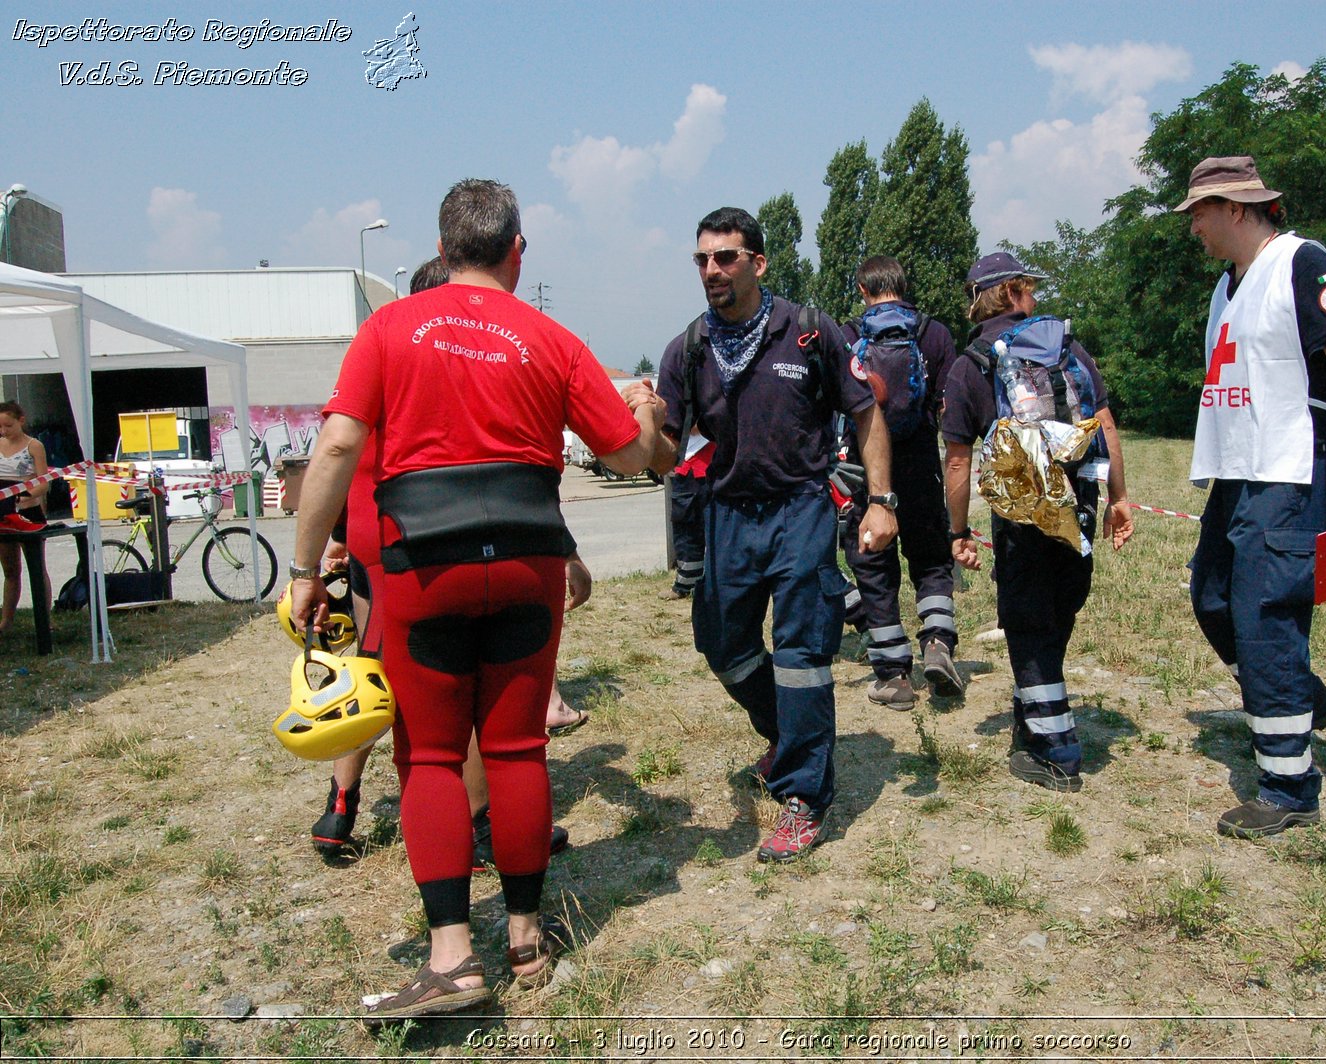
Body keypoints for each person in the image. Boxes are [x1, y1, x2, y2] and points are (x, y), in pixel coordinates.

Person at [291, 178, 665, 1021]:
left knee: (430, 758)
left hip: (427, 564)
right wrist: (651, 412)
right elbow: (633, 454)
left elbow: (341, 443)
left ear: (444, 245)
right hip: (529, 560)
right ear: (517, 251)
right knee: (518, 748)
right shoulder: (553, 338)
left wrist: (304, 566)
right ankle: (528, 940)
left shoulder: (388, 327)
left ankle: (453, 959)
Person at [638, 207, 897, 863]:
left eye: (725, 257)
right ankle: (788, 731)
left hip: (802, 507)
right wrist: (649, 424)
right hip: (727, 514)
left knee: (802, 655)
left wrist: (882, 502)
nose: (711, 270)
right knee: (720, 643)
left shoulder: (809, 333)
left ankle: (805, 796)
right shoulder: (688, 347)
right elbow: (667, 455)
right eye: (701, 259)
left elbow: (865, 416)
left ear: (757, 263)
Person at [310, 256, 579, 867]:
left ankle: (341, 804)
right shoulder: (444, 361)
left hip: (371, 534)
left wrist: (330, 540)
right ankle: (481, 822)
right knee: (461, 693)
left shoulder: (385, 349)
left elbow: (338, 446)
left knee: (371, 669)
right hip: (414, 541)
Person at [1173, 155, 1326, 840]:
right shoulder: (1224, 285)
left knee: (1265, 616)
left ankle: (1289, 785)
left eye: (1199, 212)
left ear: (1235, 207)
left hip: (1290, 472)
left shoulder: (1300, 263)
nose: (1193, 226)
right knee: (1211, 595)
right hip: (1238, 473)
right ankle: (1304, 697)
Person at [942, 252, 1133, 792]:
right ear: (1015, 292)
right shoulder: (1069, 349)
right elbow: (1107, 425)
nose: (1035, 298)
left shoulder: (972, 364)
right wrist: (1120, 496)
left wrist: (958, 531)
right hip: (1081, 499)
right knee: (1058, 607)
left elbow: (958, 460)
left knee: (1028, 621)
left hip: (1024, 511)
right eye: (1030, 288)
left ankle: (1055, 754)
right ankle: (1035, 715)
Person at [838, 256, 962, 708]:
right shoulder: (935, 333)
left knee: (872, 565)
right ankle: (937, 643)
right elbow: (949, 408)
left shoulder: (848, 335)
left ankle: (893, 676)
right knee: (930, 559)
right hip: (921, 461)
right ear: (903, 286)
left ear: (862, 290)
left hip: (866, 469)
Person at [0, 401, 52, 634]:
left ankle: (45, 619)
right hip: (4, 512)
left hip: (28, 510)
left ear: (20, 421)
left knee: (36, 567)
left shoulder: (34, 446)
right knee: (10, 569)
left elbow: (44, 482)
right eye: (0, 427)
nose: (4, 431)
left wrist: (25, 496)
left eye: (8, 425)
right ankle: (6, 621)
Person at [658, 427, 714, 600]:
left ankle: (689, 584)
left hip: (706, 464)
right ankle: (687, 583)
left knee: (692, 529)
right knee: (687, 530)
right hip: (690, 465)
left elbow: (695, 426)